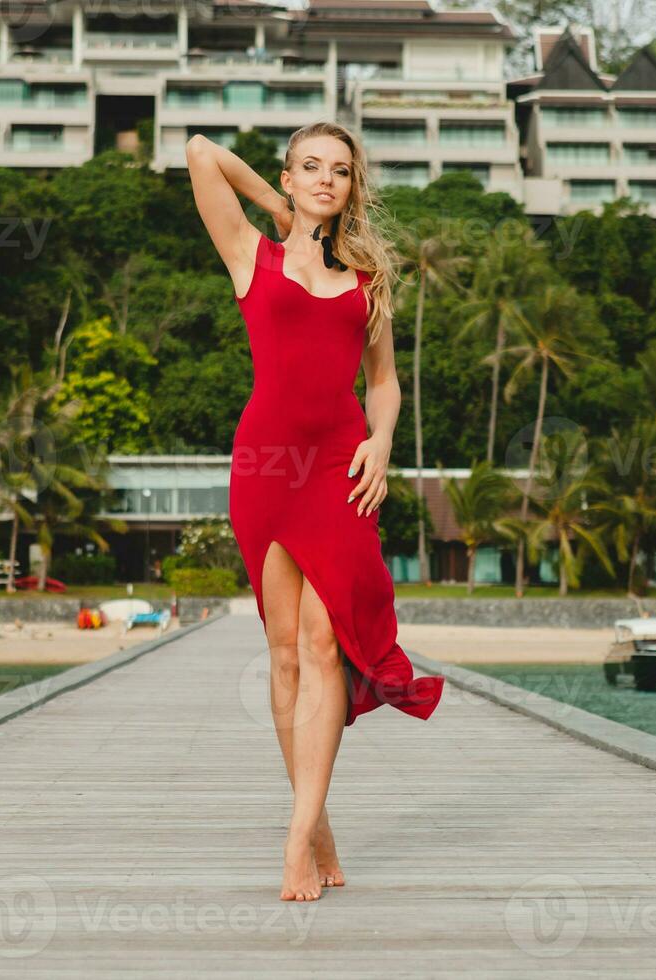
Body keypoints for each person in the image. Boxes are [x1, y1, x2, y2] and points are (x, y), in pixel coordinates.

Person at [186, 123, 445, 902]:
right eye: (311, 168)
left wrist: (384, 441)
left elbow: (385, 381)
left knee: (325, 643)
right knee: (287, 656)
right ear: (289, 176)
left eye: (339, 171)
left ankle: (297, 839)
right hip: (267, 466)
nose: (326, 179)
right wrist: (278, 207)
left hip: (338, 463)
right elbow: (201, 151)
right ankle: (319, 816)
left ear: (353, 185)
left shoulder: (367, 281)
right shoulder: (250, 257)